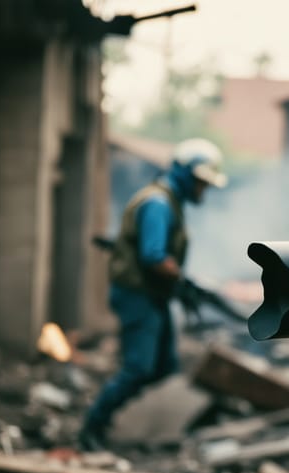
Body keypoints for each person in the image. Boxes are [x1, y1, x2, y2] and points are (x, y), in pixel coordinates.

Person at [79, 138, 228, 451]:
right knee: (138, 368)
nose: (203, 190)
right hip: (138, 296)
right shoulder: (158, 204)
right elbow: (154, 256)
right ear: (185, 175)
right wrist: (184, 281)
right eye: (201, 183)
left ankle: (145, 426)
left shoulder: (168, 201)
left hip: (152, 296)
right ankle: (92, 428)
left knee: (165, 366)